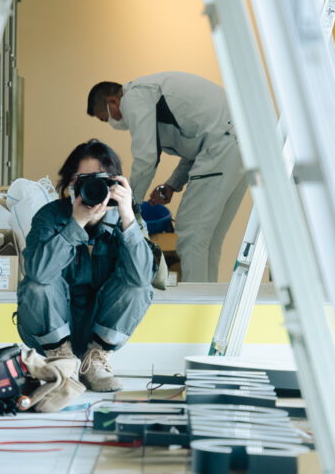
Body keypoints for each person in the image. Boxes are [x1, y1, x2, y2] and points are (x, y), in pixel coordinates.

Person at [16, 140, 154, 392]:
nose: (93, 188)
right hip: (53, 322)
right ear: (70, 184)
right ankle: (60, 358)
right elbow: (37, 274)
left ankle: (96, 360)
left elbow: (142, 280)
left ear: (115, 184)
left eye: (101, 180)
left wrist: (128, 219)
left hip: (100, 325)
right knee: (36, 281)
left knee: (139, 287)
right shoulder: (50, 216)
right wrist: (75, 224)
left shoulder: (128, 217)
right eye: (84, 180)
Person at [87, 72, 247, 282]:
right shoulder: (152, 98)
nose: (111, 122)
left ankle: (197, 305)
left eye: (105, 117)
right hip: (239, 146)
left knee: (191, 236)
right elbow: (197, 146)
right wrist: (172, 185)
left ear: (113, 101)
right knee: (208, 239)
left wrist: (129, 203)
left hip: (223, 147)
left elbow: (146, 157)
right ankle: (210, 304)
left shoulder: (134, 97)